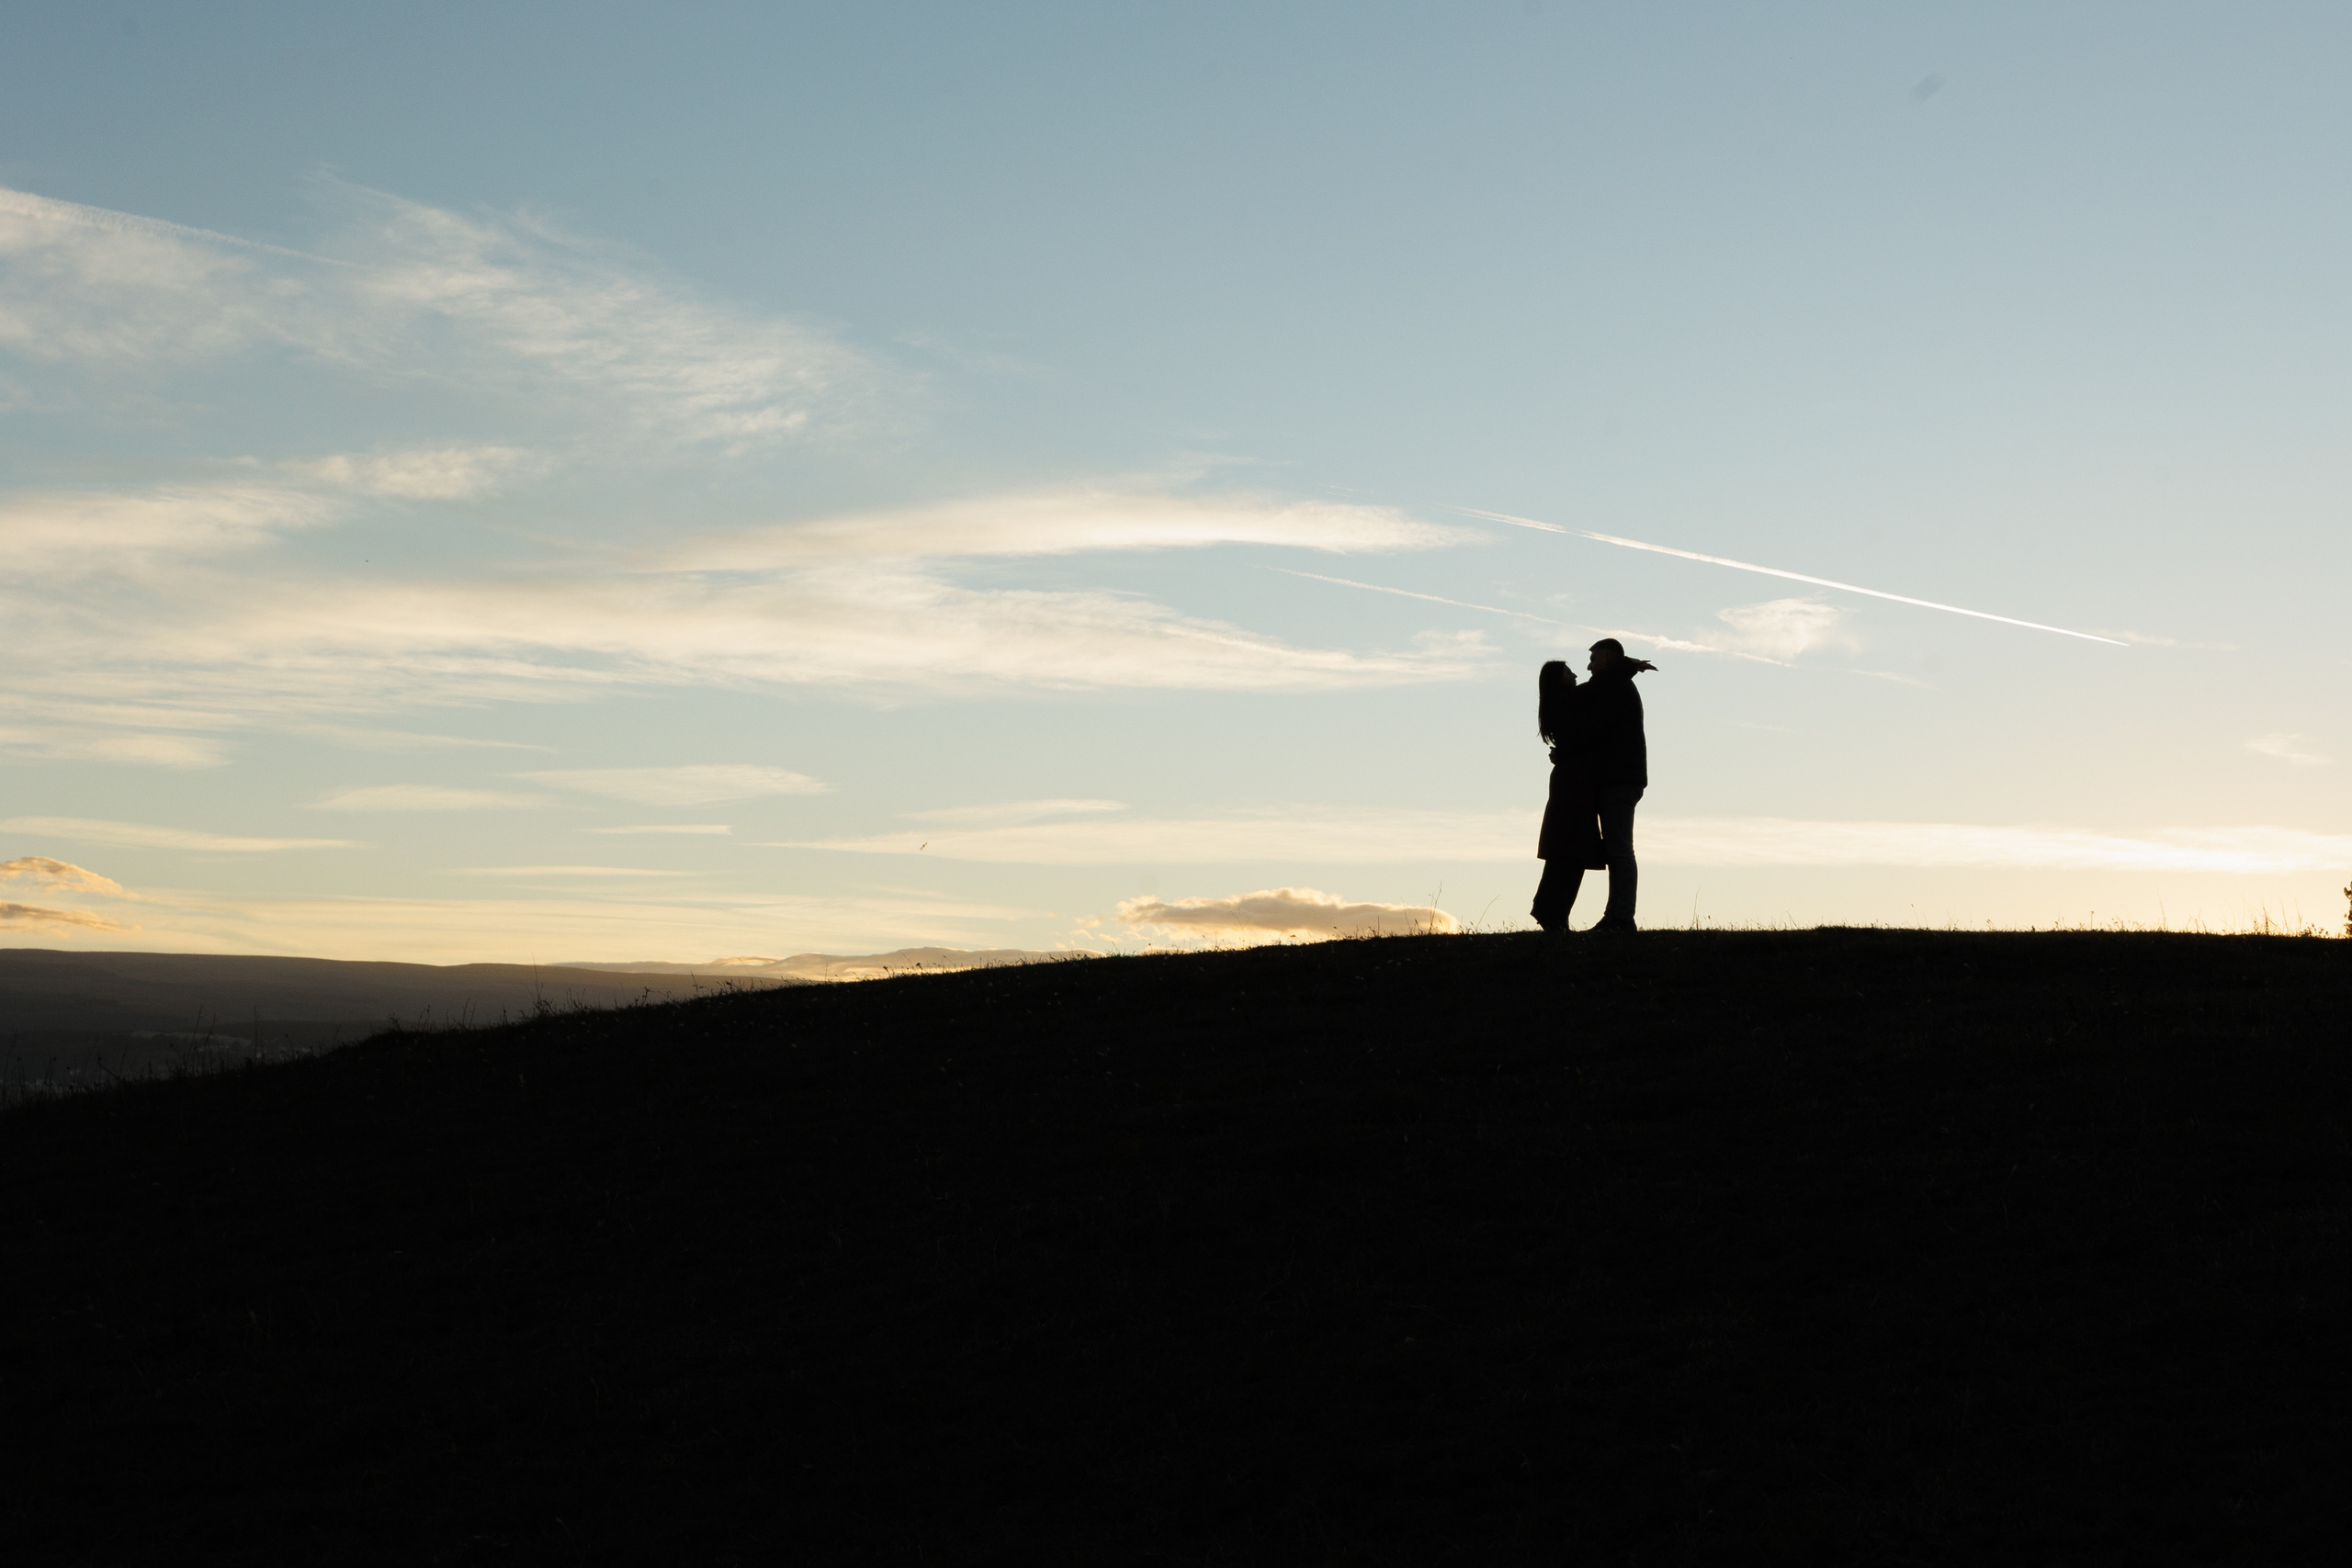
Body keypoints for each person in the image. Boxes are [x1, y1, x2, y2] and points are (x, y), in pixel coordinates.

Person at [1529, 642, 1653, 933]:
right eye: (1571, 671)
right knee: (1608, 849)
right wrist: (1627, 665)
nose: (1584, 669)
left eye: (1593, 659)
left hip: (1615, 778)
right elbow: (1591, 718)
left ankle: (1619, 917)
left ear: (1607, 658)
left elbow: (1595, 723)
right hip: (1605, 779)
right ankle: (1616, 916)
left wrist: (1625, 666)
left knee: (1616, 849)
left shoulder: (1609, 686)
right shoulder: (1599, 688)